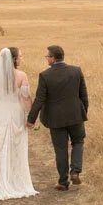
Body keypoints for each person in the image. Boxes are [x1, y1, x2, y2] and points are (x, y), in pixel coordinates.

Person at [26, 45, 88, 191]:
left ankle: (63, 182)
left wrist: (31, 119)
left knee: (60, 149)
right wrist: (83, 112)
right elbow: (84, 95)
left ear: (53, 58)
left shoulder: (45, 75)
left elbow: (39, 100)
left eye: (47, 56)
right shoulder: (76, 71)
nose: (47, 59)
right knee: (78, 142)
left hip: (55, 119)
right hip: (75, 116)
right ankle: (75, 171)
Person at [0, 47, 38, 199]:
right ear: (14, 59)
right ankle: (15, 180)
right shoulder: (22, 75)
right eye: (20, 56)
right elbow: (25, 97)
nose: (21, 58)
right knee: (15, 144)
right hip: (15, 112)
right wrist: (30, 115)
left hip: (0, 112)